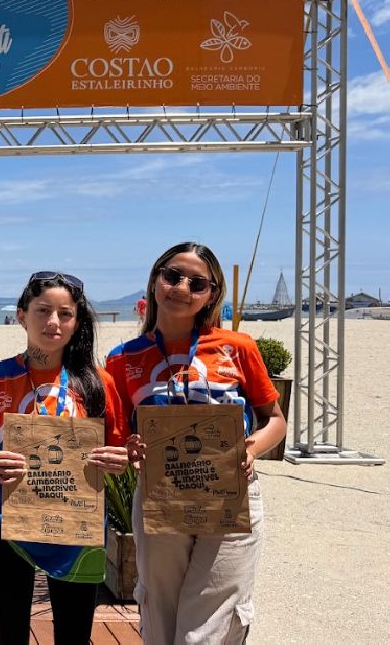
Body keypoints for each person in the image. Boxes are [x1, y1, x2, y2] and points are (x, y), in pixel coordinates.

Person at [106, 242, 286, 645]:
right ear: (155, 281)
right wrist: (129, 450)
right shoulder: (122, 359)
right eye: (172, 275)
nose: (181, 286)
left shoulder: (238, 347)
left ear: (211, 294)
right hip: (161, 497)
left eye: (197, 282)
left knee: (208, 628)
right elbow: (117, 437)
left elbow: (275, 421)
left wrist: (251, 449)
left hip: (230, 496)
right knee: (160, 617)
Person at [0, 271, 131, 644]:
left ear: (77, 320)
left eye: (65, 314)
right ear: (22, 315)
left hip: (77, 529)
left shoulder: (98, 383)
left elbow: (119, 451)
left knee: (73, 635)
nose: (53, 322)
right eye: (43, 311)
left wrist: (116, 461)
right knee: (9, 634)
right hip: (9, 525)